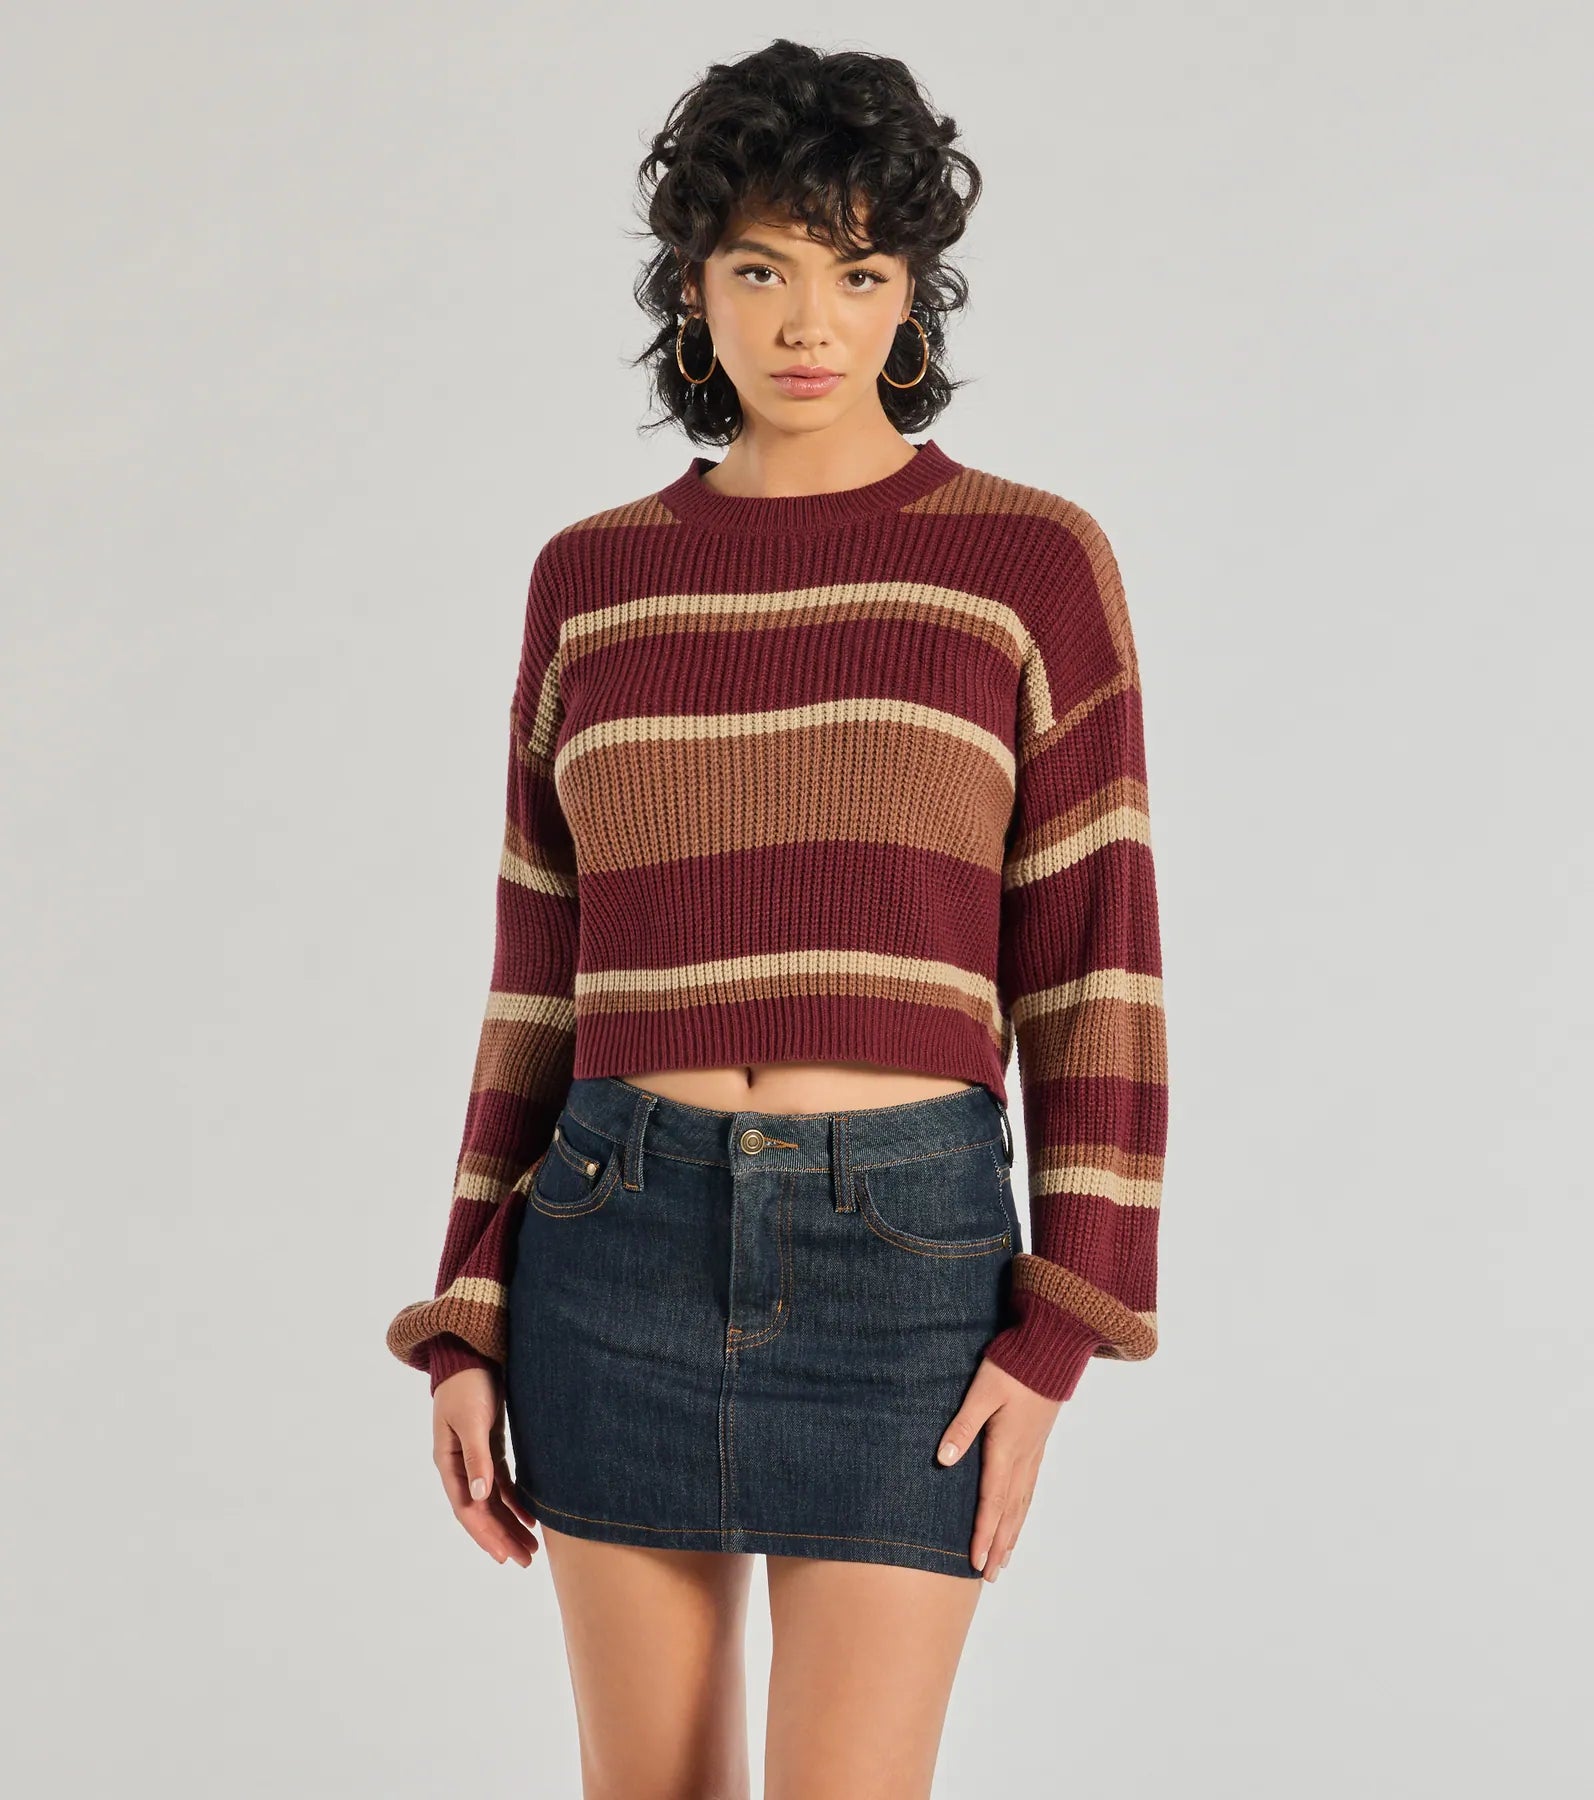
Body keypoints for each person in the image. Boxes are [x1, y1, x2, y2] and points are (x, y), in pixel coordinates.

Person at [385, 37, 1168, 1800]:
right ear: (692, 288)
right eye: (761, 269)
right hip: (612, 1233)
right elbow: (537, 977)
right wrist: (467, 1301)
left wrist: (1062, 1323)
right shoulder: (592, 581)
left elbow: (1094, 966)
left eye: (859, 273)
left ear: (912, 296)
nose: (811, 322)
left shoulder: (1026, 564)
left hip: (905, 1260)